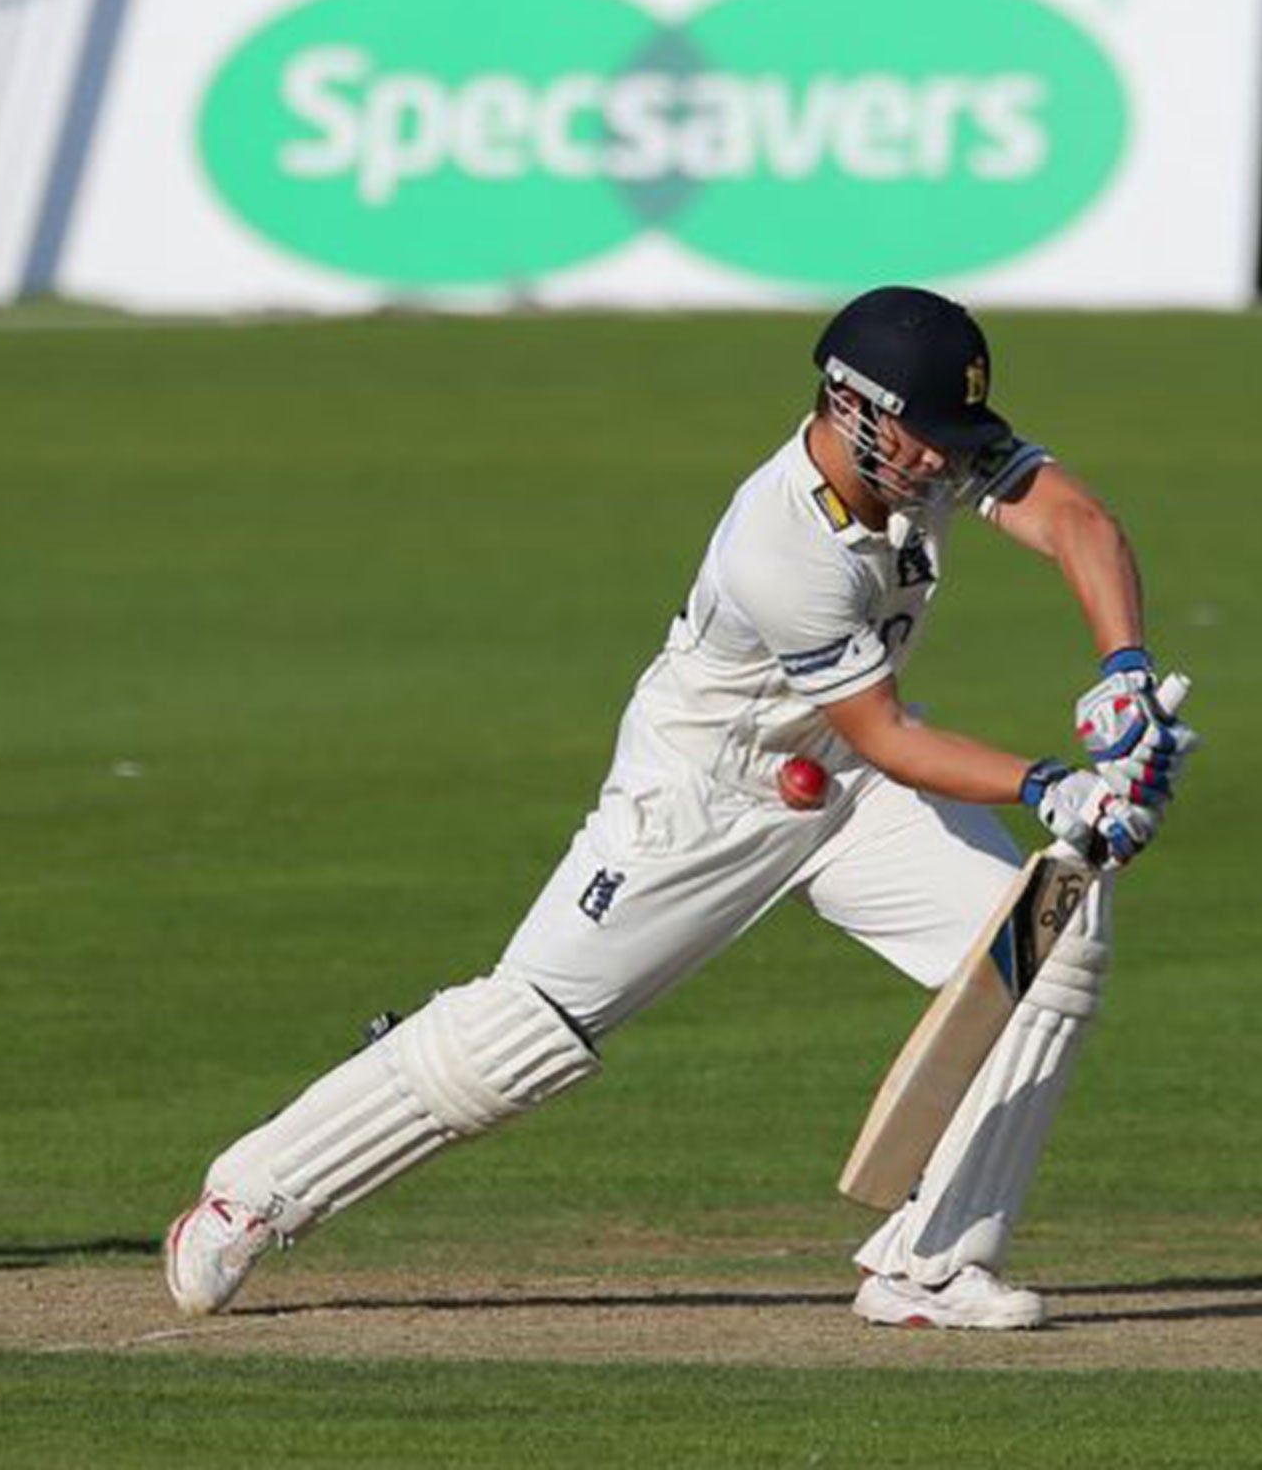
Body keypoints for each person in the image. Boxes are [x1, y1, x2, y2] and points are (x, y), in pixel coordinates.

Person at [163, 286, 1198, 1330]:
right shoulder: (780, 541)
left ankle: (927, 1266)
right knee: (520, 1040)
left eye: (951, 437)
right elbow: (889, 730)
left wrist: (1121, 669)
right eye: (921, 436)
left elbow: (1075, 519)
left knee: (1048, 946)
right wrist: (1047, 783)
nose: (939, 460)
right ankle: (250, 1194)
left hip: (848, 788)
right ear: (849, 406)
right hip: (702, 796)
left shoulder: (928, 449)